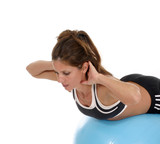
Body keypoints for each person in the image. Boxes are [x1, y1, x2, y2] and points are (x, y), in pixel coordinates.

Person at [26, 30, 160, 120]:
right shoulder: (72, 80)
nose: (60, 79)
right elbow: (31, 70)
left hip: (155, 96)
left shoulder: (102, 87)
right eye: (57, 72)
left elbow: (135, 97)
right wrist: (59, 65)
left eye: (66, 73)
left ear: (84, 67)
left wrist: (98, 78)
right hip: (126, 85)